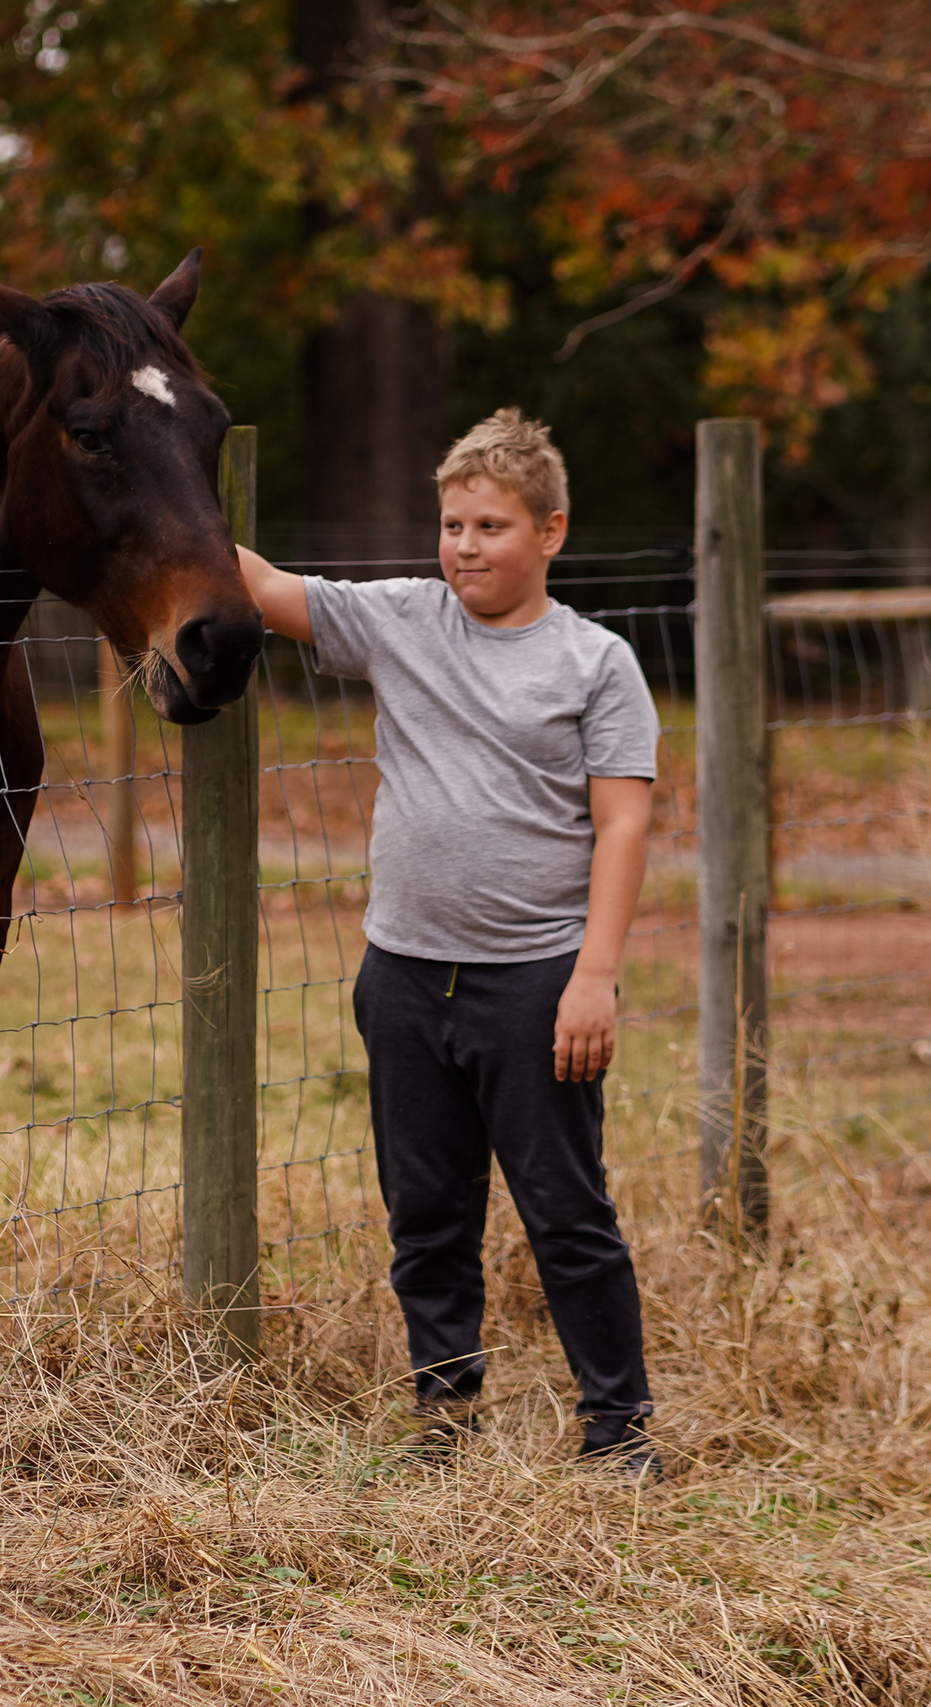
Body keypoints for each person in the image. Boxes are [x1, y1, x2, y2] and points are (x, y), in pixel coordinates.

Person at [236, 407, 660, 1474]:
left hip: (534, 987)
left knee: (566, 1213)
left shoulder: (593, 663)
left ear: (551, 532)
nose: (466, 546)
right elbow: (265, 588)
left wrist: (593, 977)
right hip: (405, 977)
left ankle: (618, 1430)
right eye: (452, 523)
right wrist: (165, 475)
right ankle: (445, 1417)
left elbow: (623, 822)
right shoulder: (401, 621)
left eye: (491, 525)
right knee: (425, 1212)